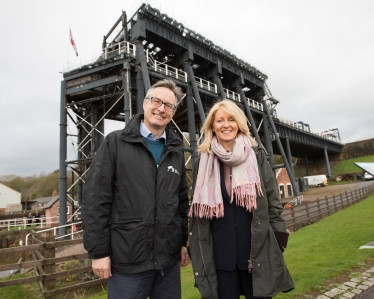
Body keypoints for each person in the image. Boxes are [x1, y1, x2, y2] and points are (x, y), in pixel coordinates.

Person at [81, 79, 189, 299]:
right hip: (127, 264)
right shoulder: (115, 143)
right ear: (144, 103)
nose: (161, 108)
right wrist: (99, 252)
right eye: (156, 101)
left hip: (167, 264)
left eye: (168, 105)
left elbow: (180, 204)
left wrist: (182, 242)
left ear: (173, 112)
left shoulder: (176, 151)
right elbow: (95, 201)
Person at [188, 100, 295, 299]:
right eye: (220, 120)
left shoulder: (257, 156)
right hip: (221, 257)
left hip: (256, 252)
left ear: (239, 123)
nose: (226, 125)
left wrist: (279, 239)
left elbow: (273, 201)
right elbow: (197, 208)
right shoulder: (201, 162)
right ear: (212, 125)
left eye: (231, 119)